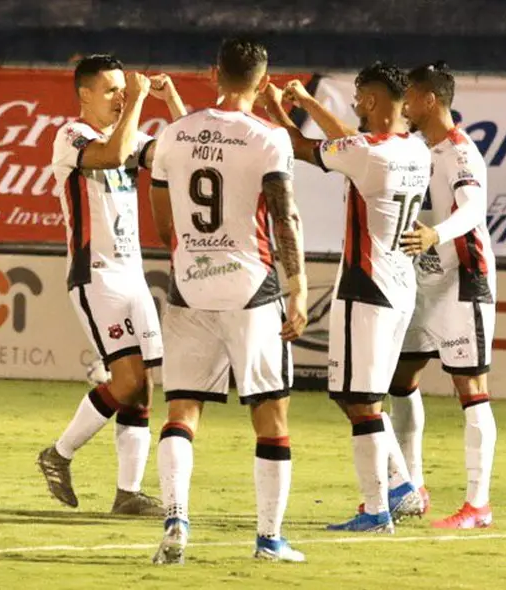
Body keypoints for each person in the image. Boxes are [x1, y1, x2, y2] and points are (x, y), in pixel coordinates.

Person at [148, 38, 308, 564]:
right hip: (250, 288)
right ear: (264, 83)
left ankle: (175, 519)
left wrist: (189, 253)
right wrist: (299, 284)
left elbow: (162, 214)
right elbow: (284, 216)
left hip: (189, 286)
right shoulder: (269, 138)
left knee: (181, 410)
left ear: (213, 73)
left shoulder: (174, 133)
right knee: (271, 413)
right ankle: (268, 538)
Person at [262, 62, 431, 533]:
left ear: (374, 101)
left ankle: (378, 509)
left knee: (358, 400)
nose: (354, 105)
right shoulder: (414, 150)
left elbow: (299, 146)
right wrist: (308, 103)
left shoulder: (366, 153)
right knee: (358, 396)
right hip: (399, 288)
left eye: (359, 97)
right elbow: (348, 145)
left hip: (366, 285)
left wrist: (275, 104)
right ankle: (401, 487)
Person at [38, 54, 186, 515]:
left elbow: (187, 149)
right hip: (95, 275)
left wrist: (172, 99)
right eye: (110, 90)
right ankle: (57, 454)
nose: (121, 96)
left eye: (124, 88)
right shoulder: (71, 136)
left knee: (142, 387)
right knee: (124, 379)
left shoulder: (130, 136)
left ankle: (127, 493)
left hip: (132, 275)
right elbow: (112, 155)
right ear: (84, 94)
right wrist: (140, 101)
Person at [395, 61, 497, 529]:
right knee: (400, 378)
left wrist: (436, 235)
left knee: (470, 389)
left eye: (411, 97)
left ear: (429, 99)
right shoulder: (418, 150)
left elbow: (474, 208)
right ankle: (413, 487)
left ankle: (478, 505)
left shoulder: (460, 153)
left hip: (464, 280)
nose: (406, 106)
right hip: (423, 282)